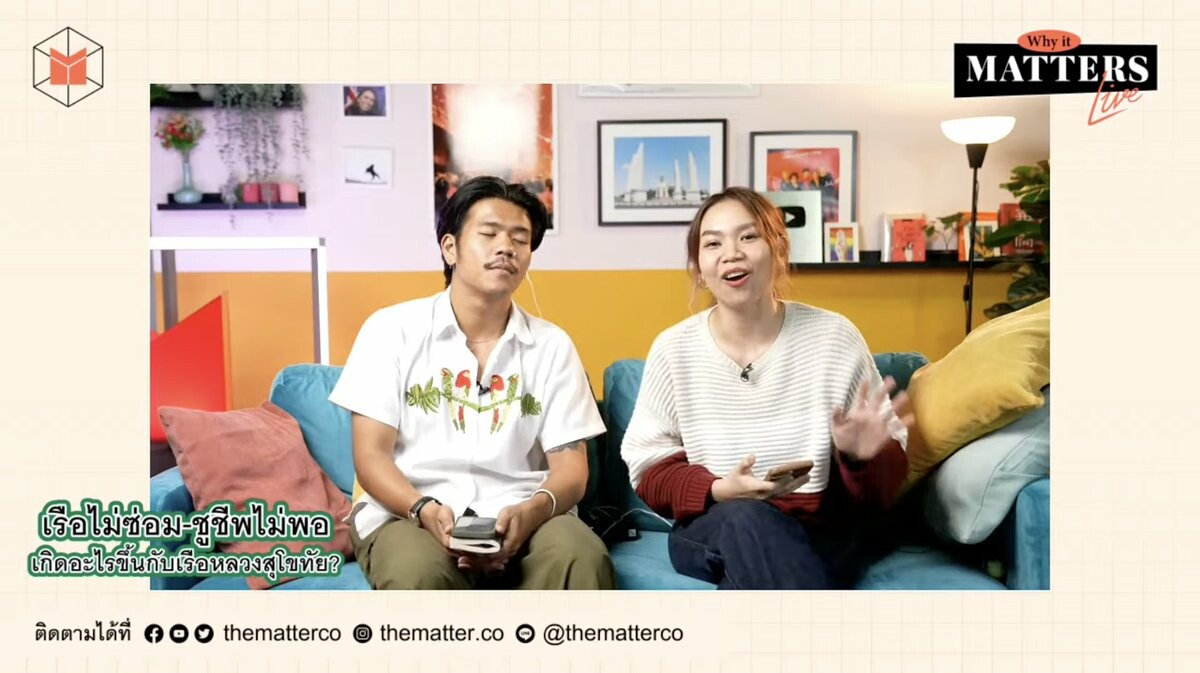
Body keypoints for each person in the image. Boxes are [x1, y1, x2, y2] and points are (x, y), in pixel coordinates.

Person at [329, 176, 615, 590]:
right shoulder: (390, 331)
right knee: (417, 570)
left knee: (579, 555)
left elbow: (571, 472)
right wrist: (423, 509)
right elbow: (371, 456)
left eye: (520, 239)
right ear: (450, 248)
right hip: (408, 514)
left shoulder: (552, 346)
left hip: (527, 516)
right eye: (489, 233)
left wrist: (530, 514)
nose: (507, 247)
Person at [621, 186, 914, 590]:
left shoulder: (833, 337)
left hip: (820, 530)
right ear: (699, 267)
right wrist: (719, 489)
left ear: (778, 248)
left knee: (765, 563)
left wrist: (861, 459)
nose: (731, 253)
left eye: (748, 236)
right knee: (747, 519)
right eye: (713, 243)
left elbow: (885, 485)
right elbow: (649, 470)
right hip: (716, 523)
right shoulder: (674, 349)